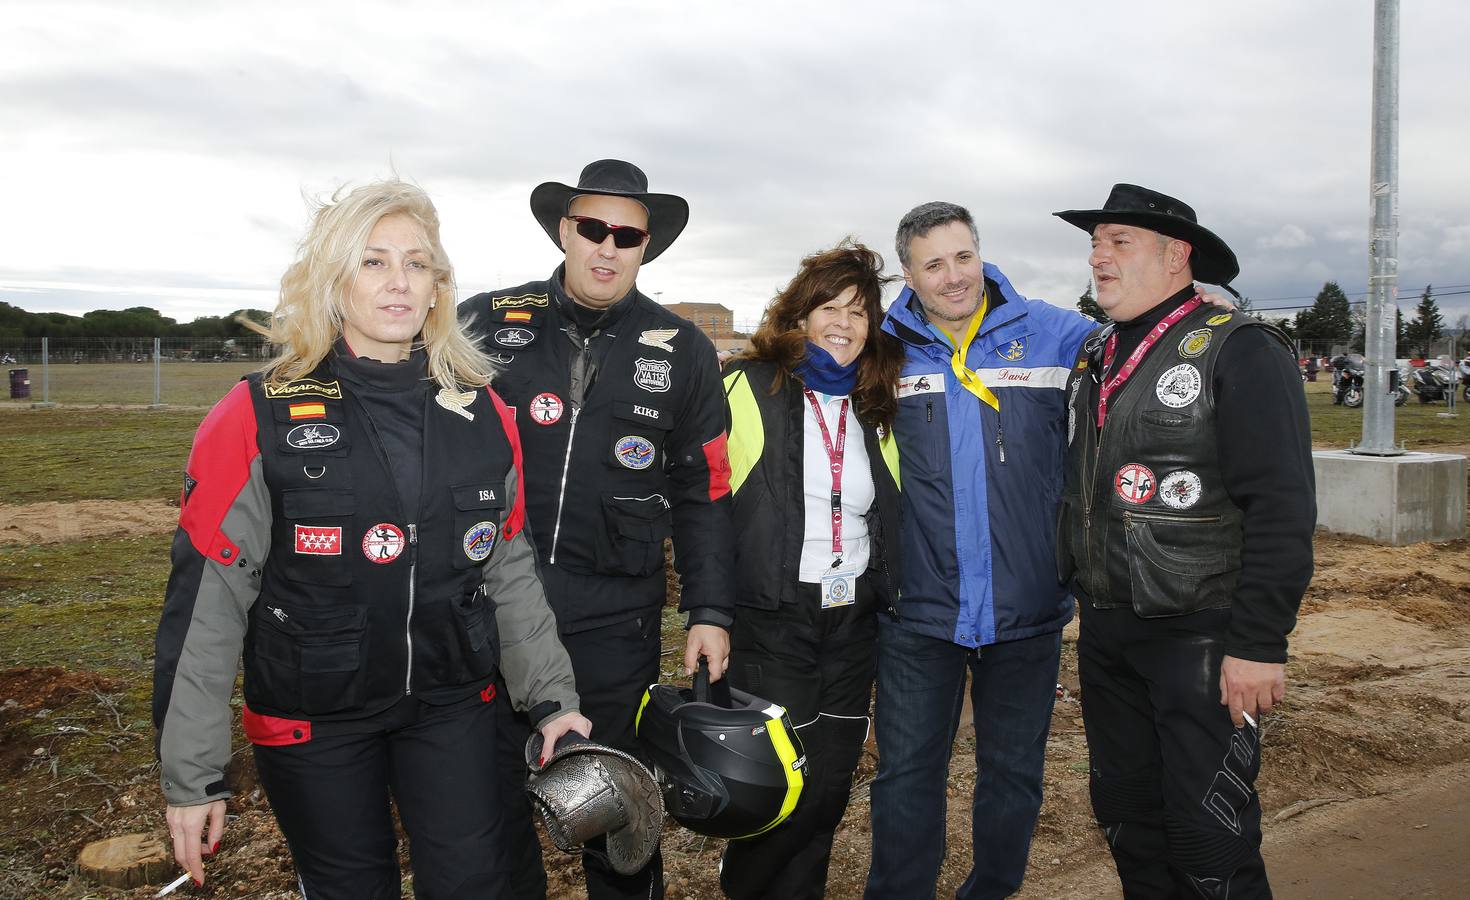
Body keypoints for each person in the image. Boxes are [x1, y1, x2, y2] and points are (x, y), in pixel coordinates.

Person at [152, 180, 592, 898]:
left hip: (451, 705)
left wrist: (553, 699)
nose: (399, 282)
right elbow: (207, 603)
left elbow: (507, 568)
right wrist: (192, 775)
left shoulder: (484, 412)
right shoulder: (253, 414)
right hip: (311, 717)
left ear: (438, 286)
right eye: (374, 261)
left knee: (475, 881)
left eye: (417, 264)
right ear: (332, 277)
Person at [459, 159, 734, 900]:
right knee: (487, 817)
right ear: (564, 230)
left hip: (616, 614)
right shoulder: (485, 320)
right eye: (593, 228)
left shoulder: (683, 348)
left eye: (627, 235)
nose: (608, 247)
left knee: (617, 811)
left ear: (646, 248)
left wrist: (708, 610)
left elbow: (705, 492)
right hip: (490, 608)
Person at [1053, 184, 1315, 897]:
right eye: (1095, 242)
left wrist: (1259, 643)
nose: (1097, 256)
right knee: (1128, 818)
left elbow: (1282, 507)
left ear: (1177, 257)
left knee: (1208, 832)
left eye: (1118, 242)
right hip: (1108, 633)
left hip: (1200, 637)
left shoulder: (1241, 349)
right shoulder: (1098, 353)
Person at [865, 202, 1098, 900]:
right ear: (908, 274)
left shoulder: (1056, 335)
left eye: (963, 256)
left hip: (1026, 606)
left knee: (1014, 773)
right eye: (933, 264)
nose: (954, 275)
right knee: (906, 775)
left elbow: (1141, 351)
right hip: (918, 612)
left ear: (980, 254)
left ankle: (991, 890)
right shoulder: (880, 350)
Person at [718, 240, 902, 899]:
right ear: (800, 313)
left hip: (853, 622)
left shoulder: (878, 402)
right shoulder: (749, 384)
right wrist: (710, 611)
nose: (843, 322)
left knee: (826, 793)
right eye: (829, 306)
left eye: (858, 310)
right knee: (775, 795)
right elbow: (704, 499)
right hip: (774, 617)